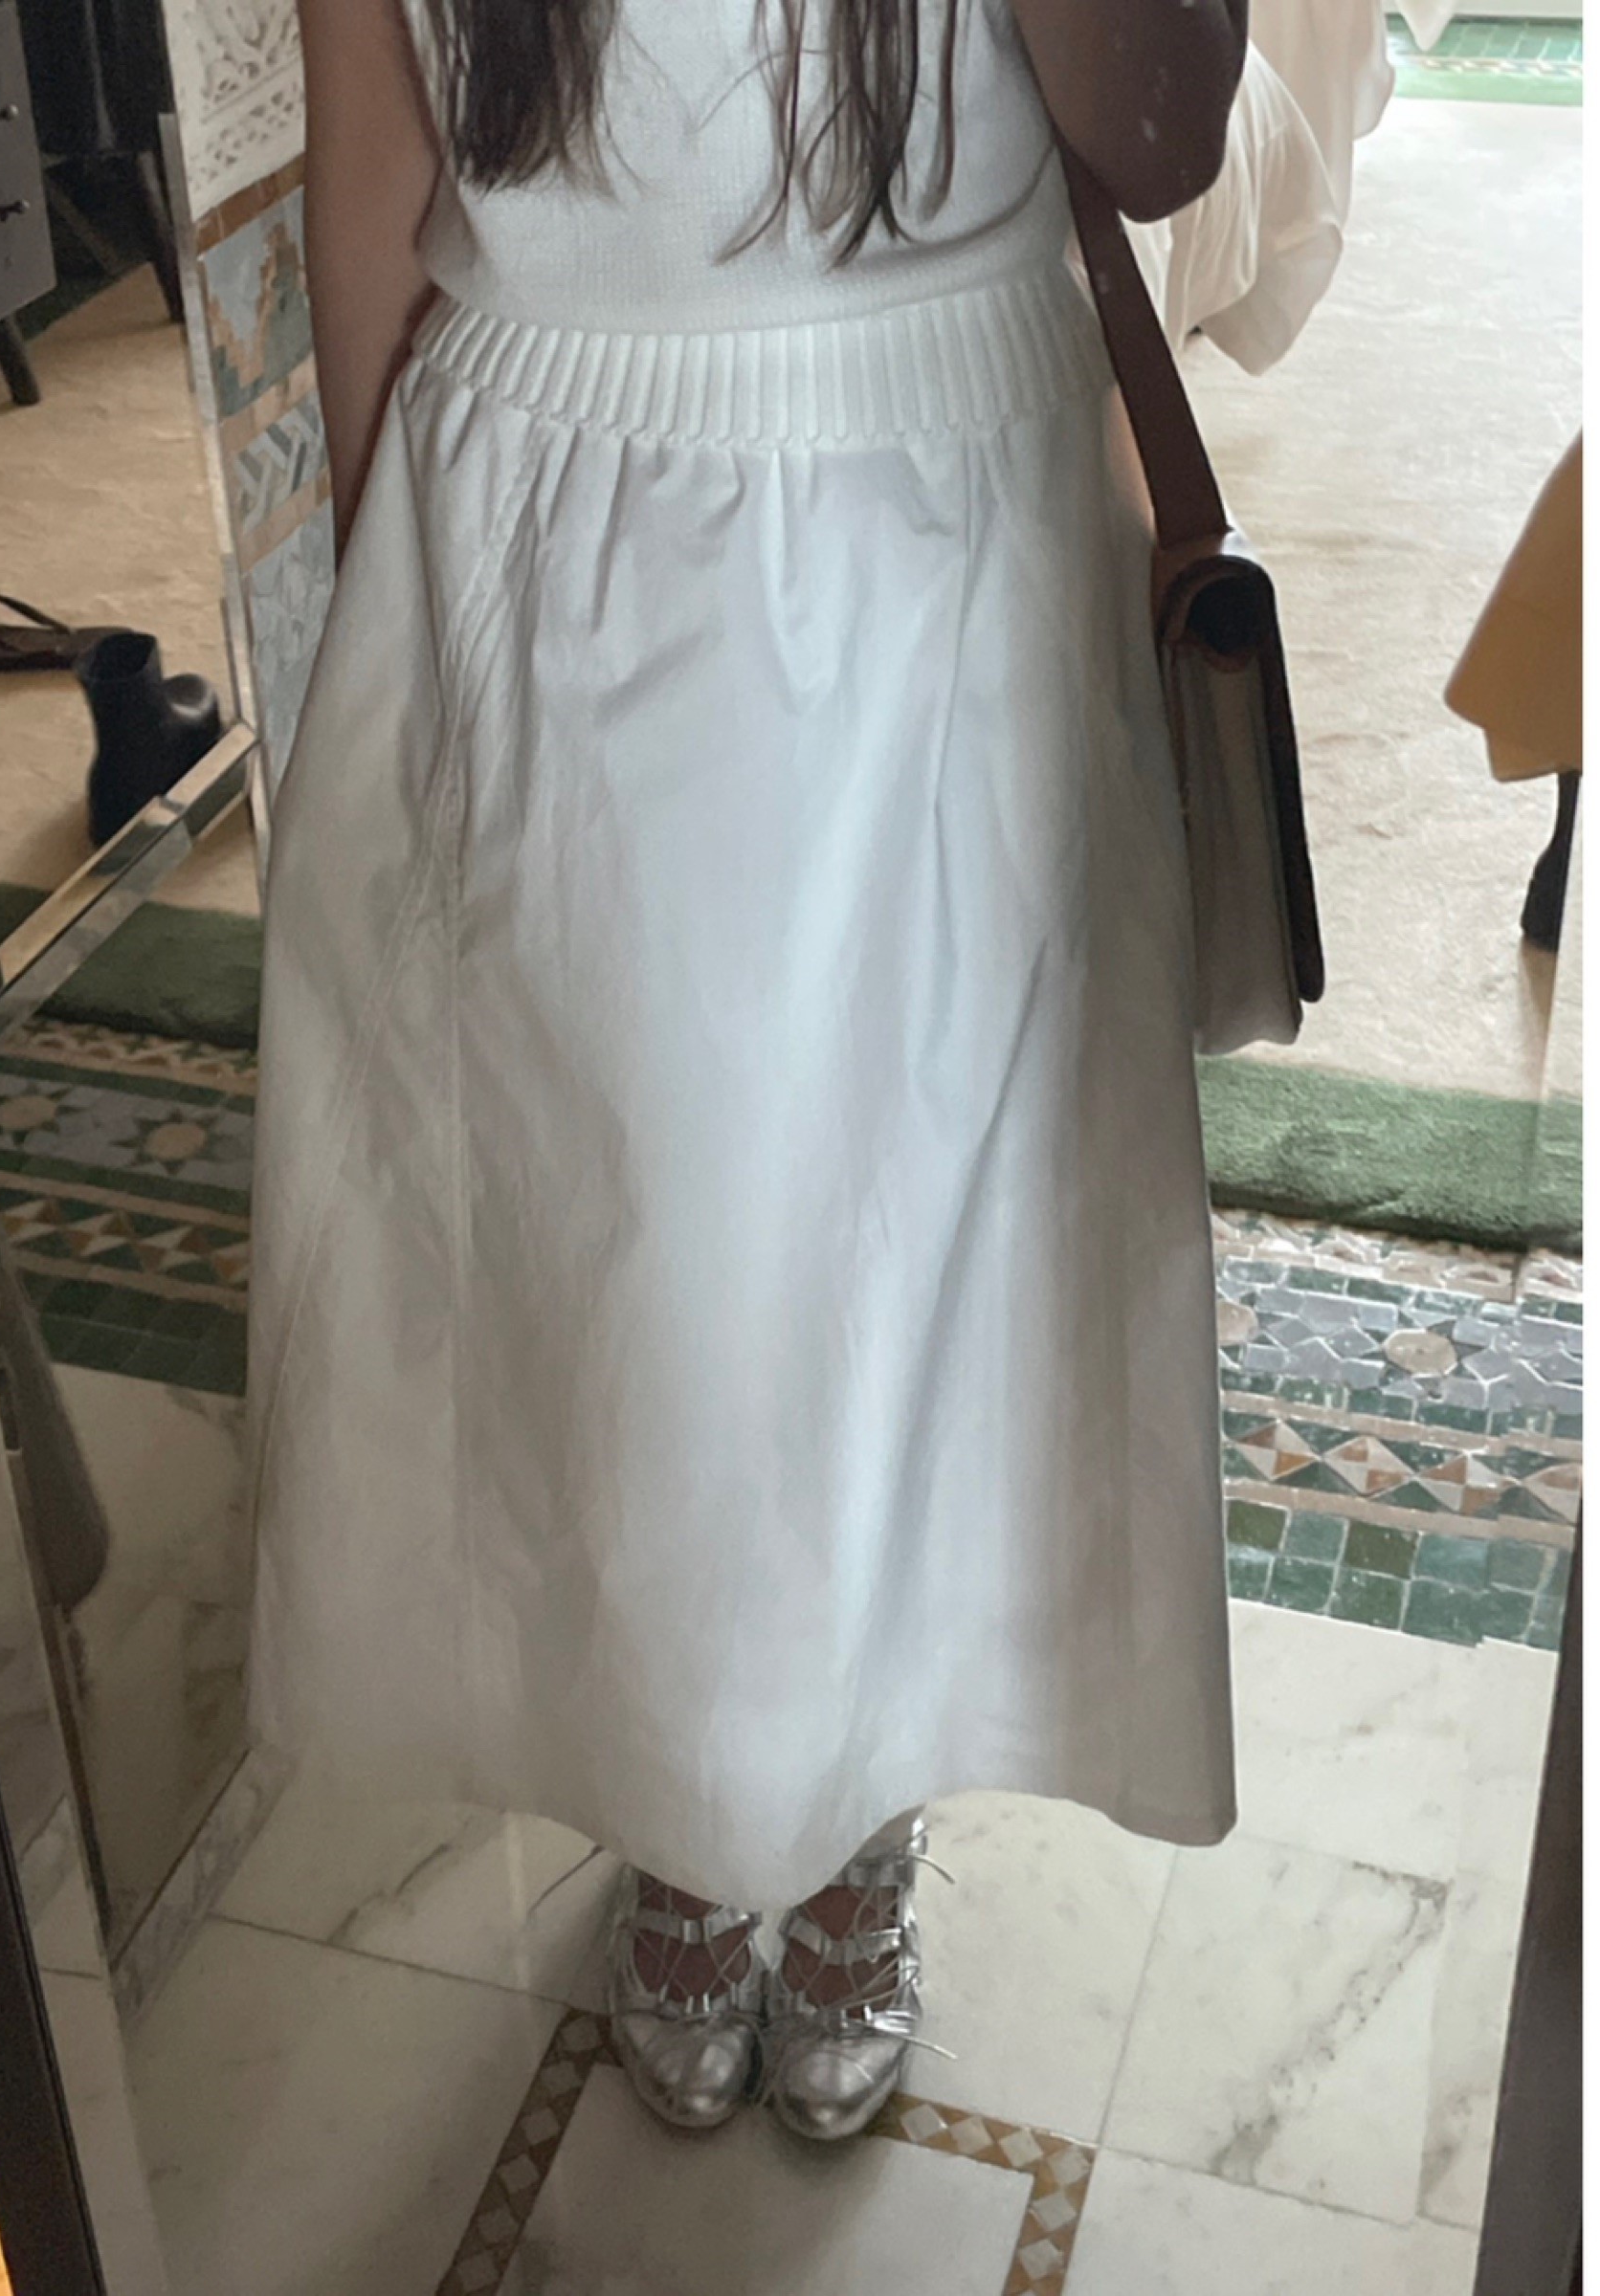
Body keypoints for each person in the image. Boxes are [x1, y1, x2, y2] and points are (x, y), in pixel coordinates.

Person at [247, 0, 1249, 2144]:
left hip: (944, 533)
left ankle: (858, 1809)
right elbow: (373, 167)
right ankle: (687, 1808)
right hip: (545, 516)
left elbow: (1161, 134)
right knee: (635, 1260)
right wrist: (392, 629)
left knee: (916, 1266)